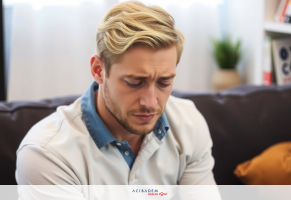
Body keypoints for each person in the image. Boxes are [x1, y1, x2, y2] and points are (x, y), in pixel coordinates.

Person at [16, 0, 216, 195]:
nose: (151, 103)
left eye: (164, 83)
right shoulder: (47, 153)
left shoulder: (189, 124)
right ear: (98, 70)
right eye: (134, 82)